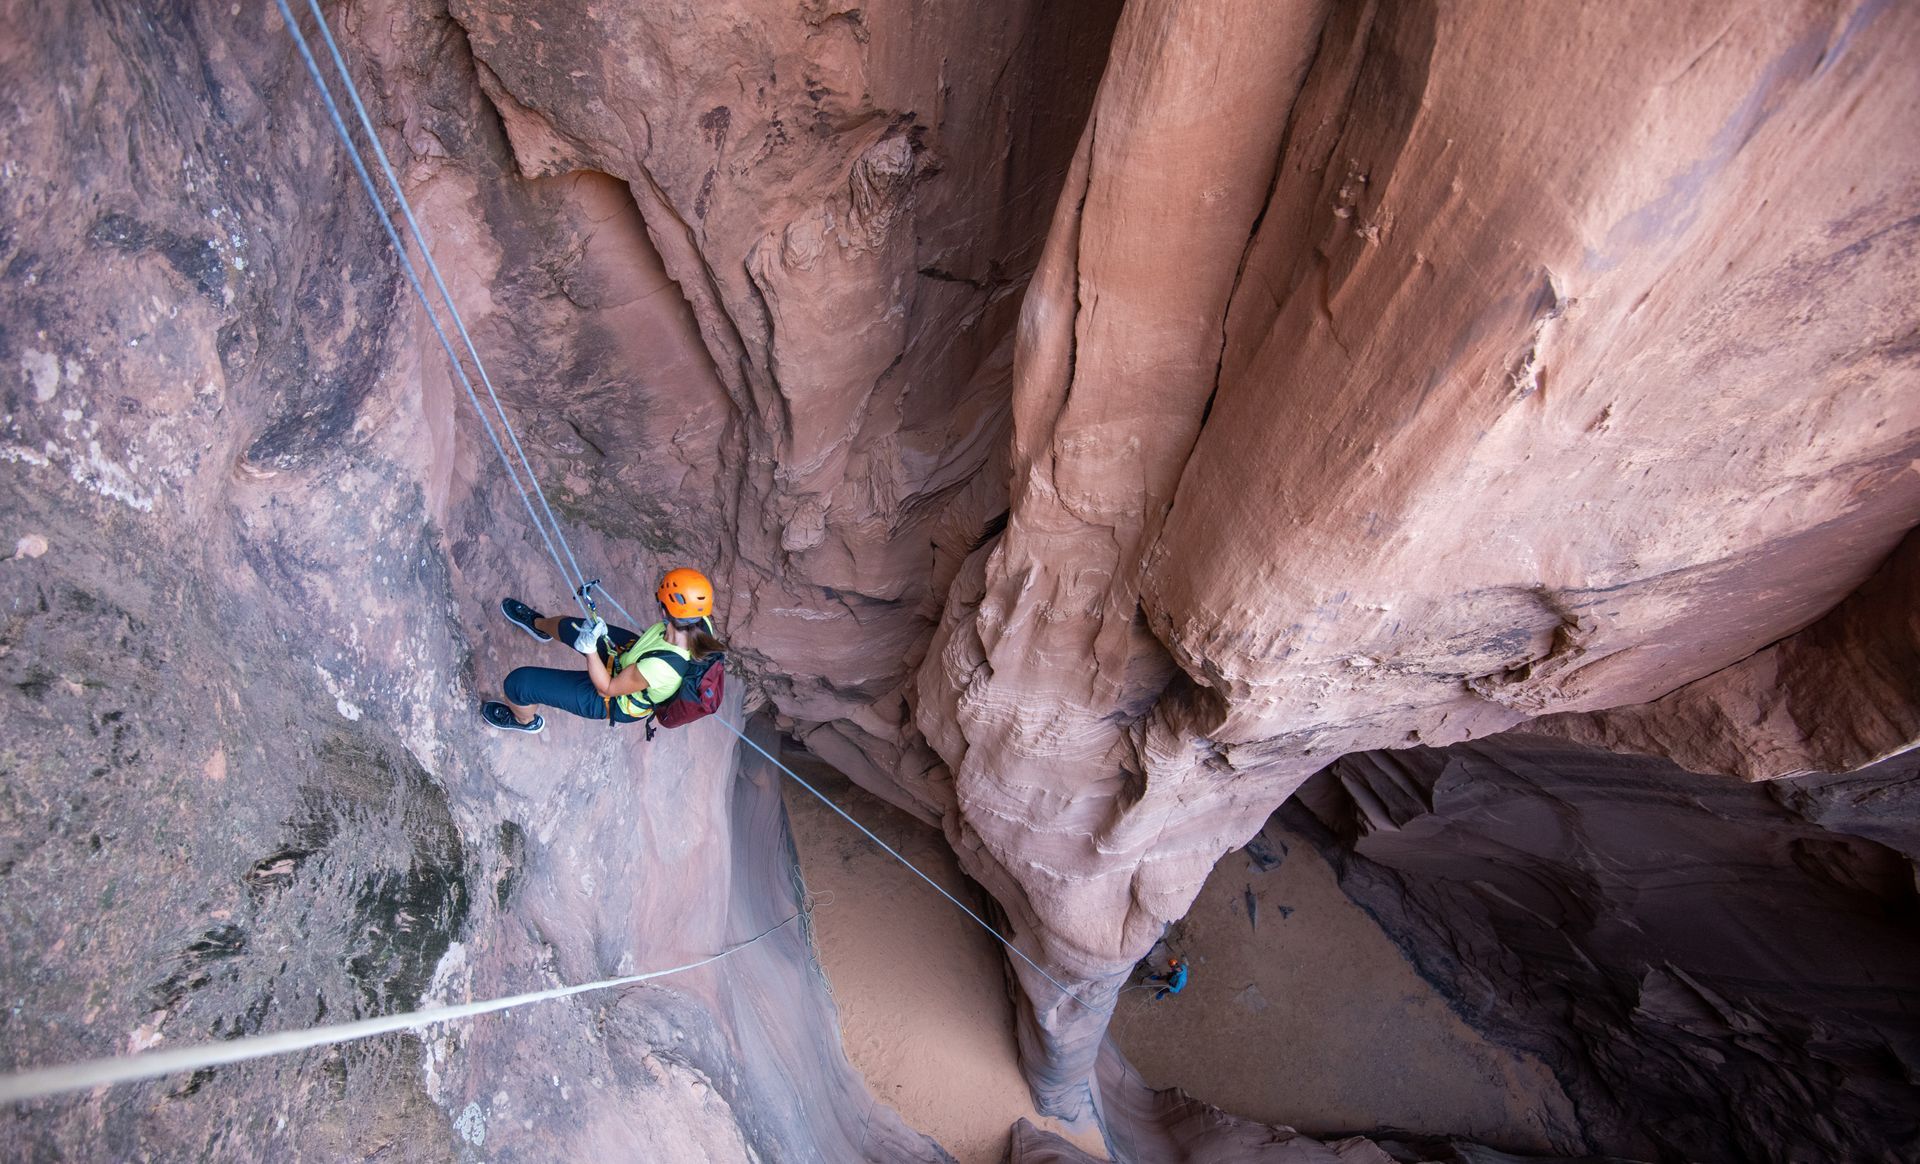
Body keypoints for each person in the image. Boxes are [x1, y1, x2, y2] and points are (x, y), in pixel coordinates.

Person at [480, 567, 725, 733]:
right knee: (568, 626)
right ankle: (539, 625)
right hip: (632, 656)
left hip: (615, 696)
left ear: (664, 610)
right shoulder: (699, 623)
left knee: (519, 684)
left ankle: (524, 721)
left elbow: (607, 687)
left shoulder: (660, 668)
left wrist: (590, 650)